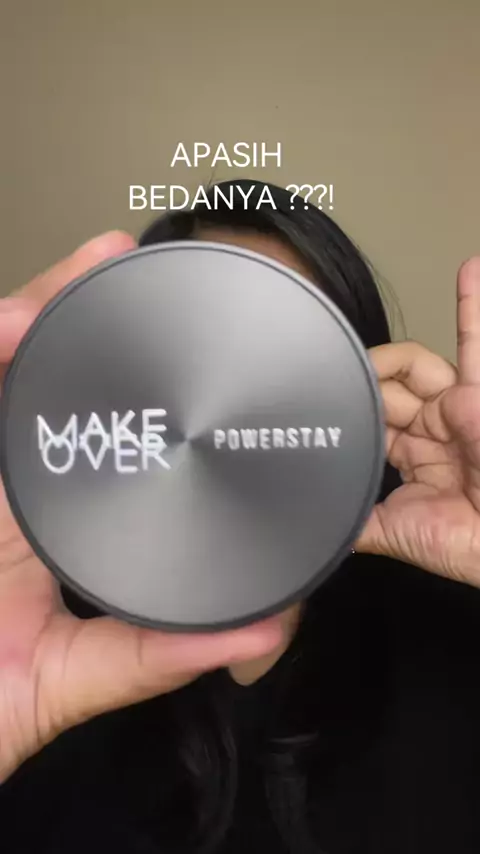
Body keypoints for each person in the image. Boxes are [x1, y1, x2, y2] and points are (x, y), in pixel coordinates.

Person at [1, 180, 480, 854]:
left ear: (365, 387)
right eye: (204, 353)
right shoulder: (40, 631)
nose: (240, 409)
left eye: (286, 348)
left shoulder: (449, 624)